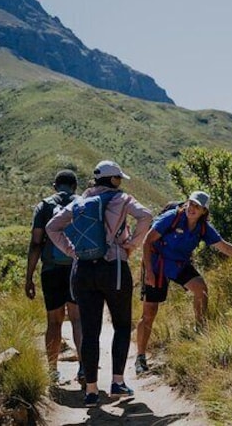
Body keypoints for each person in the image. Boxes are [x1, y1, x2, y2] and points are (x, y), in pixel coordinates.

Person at [46, 160, 152, 407]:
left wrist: (72, 251)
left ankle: (91, 391)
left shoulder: (79, 202)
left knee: (90, 330)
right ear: (113, 180)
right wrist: (132, 245)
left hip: (83, 269)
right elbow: (146, 216)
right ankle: (117, 382)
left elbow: (53, 227)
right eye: (119, 178)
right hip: (114, 267)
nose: (120, 182)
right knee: (122, 325)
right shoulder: (122, 199)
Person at [134, 191, 232, 375]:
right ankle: (140, 357)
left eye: (197, 206)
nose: (192, 208)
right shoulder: (171, 218)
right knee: (150, 312)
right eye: (191, 203)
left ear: (204, 211)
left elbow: (224, 246)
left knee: (201, 289)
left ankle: (200, 329)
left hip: (179, 265)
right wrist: (148, 270)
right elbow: (148, 241)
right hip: (157, 264)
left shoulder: (203, 228)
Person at [25, 169, 84, 385]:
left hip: (51, 269)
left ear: (54, 186)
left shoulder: (44, 206)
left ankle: (52, 370)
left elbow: (35, 243)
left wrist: (29, 277)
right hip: (77, 269)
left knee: (54, 322)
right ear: (75, 186)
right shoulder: (83, 203)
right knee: (78, 319)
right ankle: (84, 369)